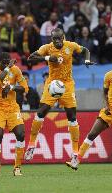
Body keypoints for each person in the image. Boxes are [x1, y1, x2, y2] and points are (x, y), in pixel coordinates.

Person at [24, 28, 94, 161]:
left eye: (59, 38)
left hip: (67, 85)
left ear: (64, 37)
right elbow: (30, 57)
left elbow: (85, 50)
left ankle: (74, 153)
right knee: (40, 113)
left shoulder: (71, 46)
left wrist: (86, 60)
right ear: (51, 39)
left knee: (72, 117)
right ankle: (31, 146)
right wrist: (48, 57)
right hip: (52, 84)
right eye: (54, 39)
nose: (57, 41)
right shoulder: (47, 48)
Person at [66, 54, 112, 171]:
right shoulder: (109, 75)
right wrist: (107, 105)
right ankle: (76, 161)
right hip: (109, 110)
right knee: (92, 134)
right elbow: (105, 92)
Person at [0, 52, 28, 176]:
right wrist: (7, 68)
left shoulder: (15, 70)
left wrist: (12, 87)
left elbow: (25, 88)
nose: (6, 65)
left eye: (8, 63)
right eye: (4, 63)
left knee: (21, 134)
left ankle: (17, 168)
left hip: (12, 107)